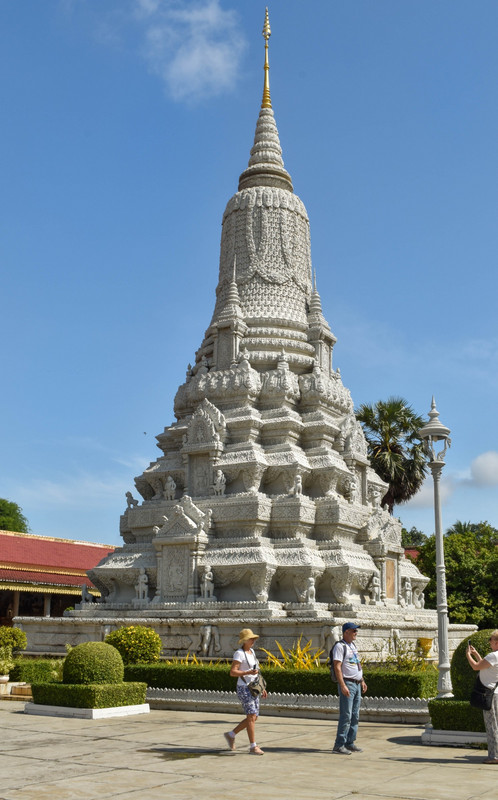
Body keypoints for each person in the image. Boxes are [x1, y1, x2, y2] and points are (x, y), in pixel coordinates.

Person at [224, 628, 267, 755]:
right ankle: (253, 746)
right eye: (251, 639)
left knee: (254, 717)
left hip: (254, 687)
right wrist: (247, 672)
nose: (253, 641)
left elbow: (256, 671)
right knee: (251, 716)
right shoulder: (239, 654)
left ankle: (231, 734)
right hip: (244, 687)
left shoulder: (252, 652)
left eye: (253, 638)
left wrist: (262, 687)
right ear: (245, 641)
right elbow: (233, 672)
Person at [332, 622, 367, 755]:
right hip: (348, 684)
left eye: (356, 631)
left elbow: (357, 664)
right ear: (346, 632)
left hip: (357, 683)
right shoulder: (340, 647)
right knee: (346, 715)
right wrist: (342, 685)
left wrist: (362, 680)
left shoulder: (352, 646)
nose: (356, 633)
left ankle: (350, 742)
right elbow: (337, 667)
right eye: (353, 631)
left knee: (355, 715)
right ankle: (339, 744)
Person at [466, 630, 498, 764]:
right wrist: (476, 654)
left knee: (491, 726)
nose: (489, 642)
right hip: (495, 693)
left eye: (491, 640)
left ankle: (494, 756)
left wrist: (468, 655)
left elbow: (475, 667)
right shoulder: (494, 657)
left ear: (496, 642)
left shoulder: (493, 656)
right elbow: (484, 667)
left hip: (489, 694)